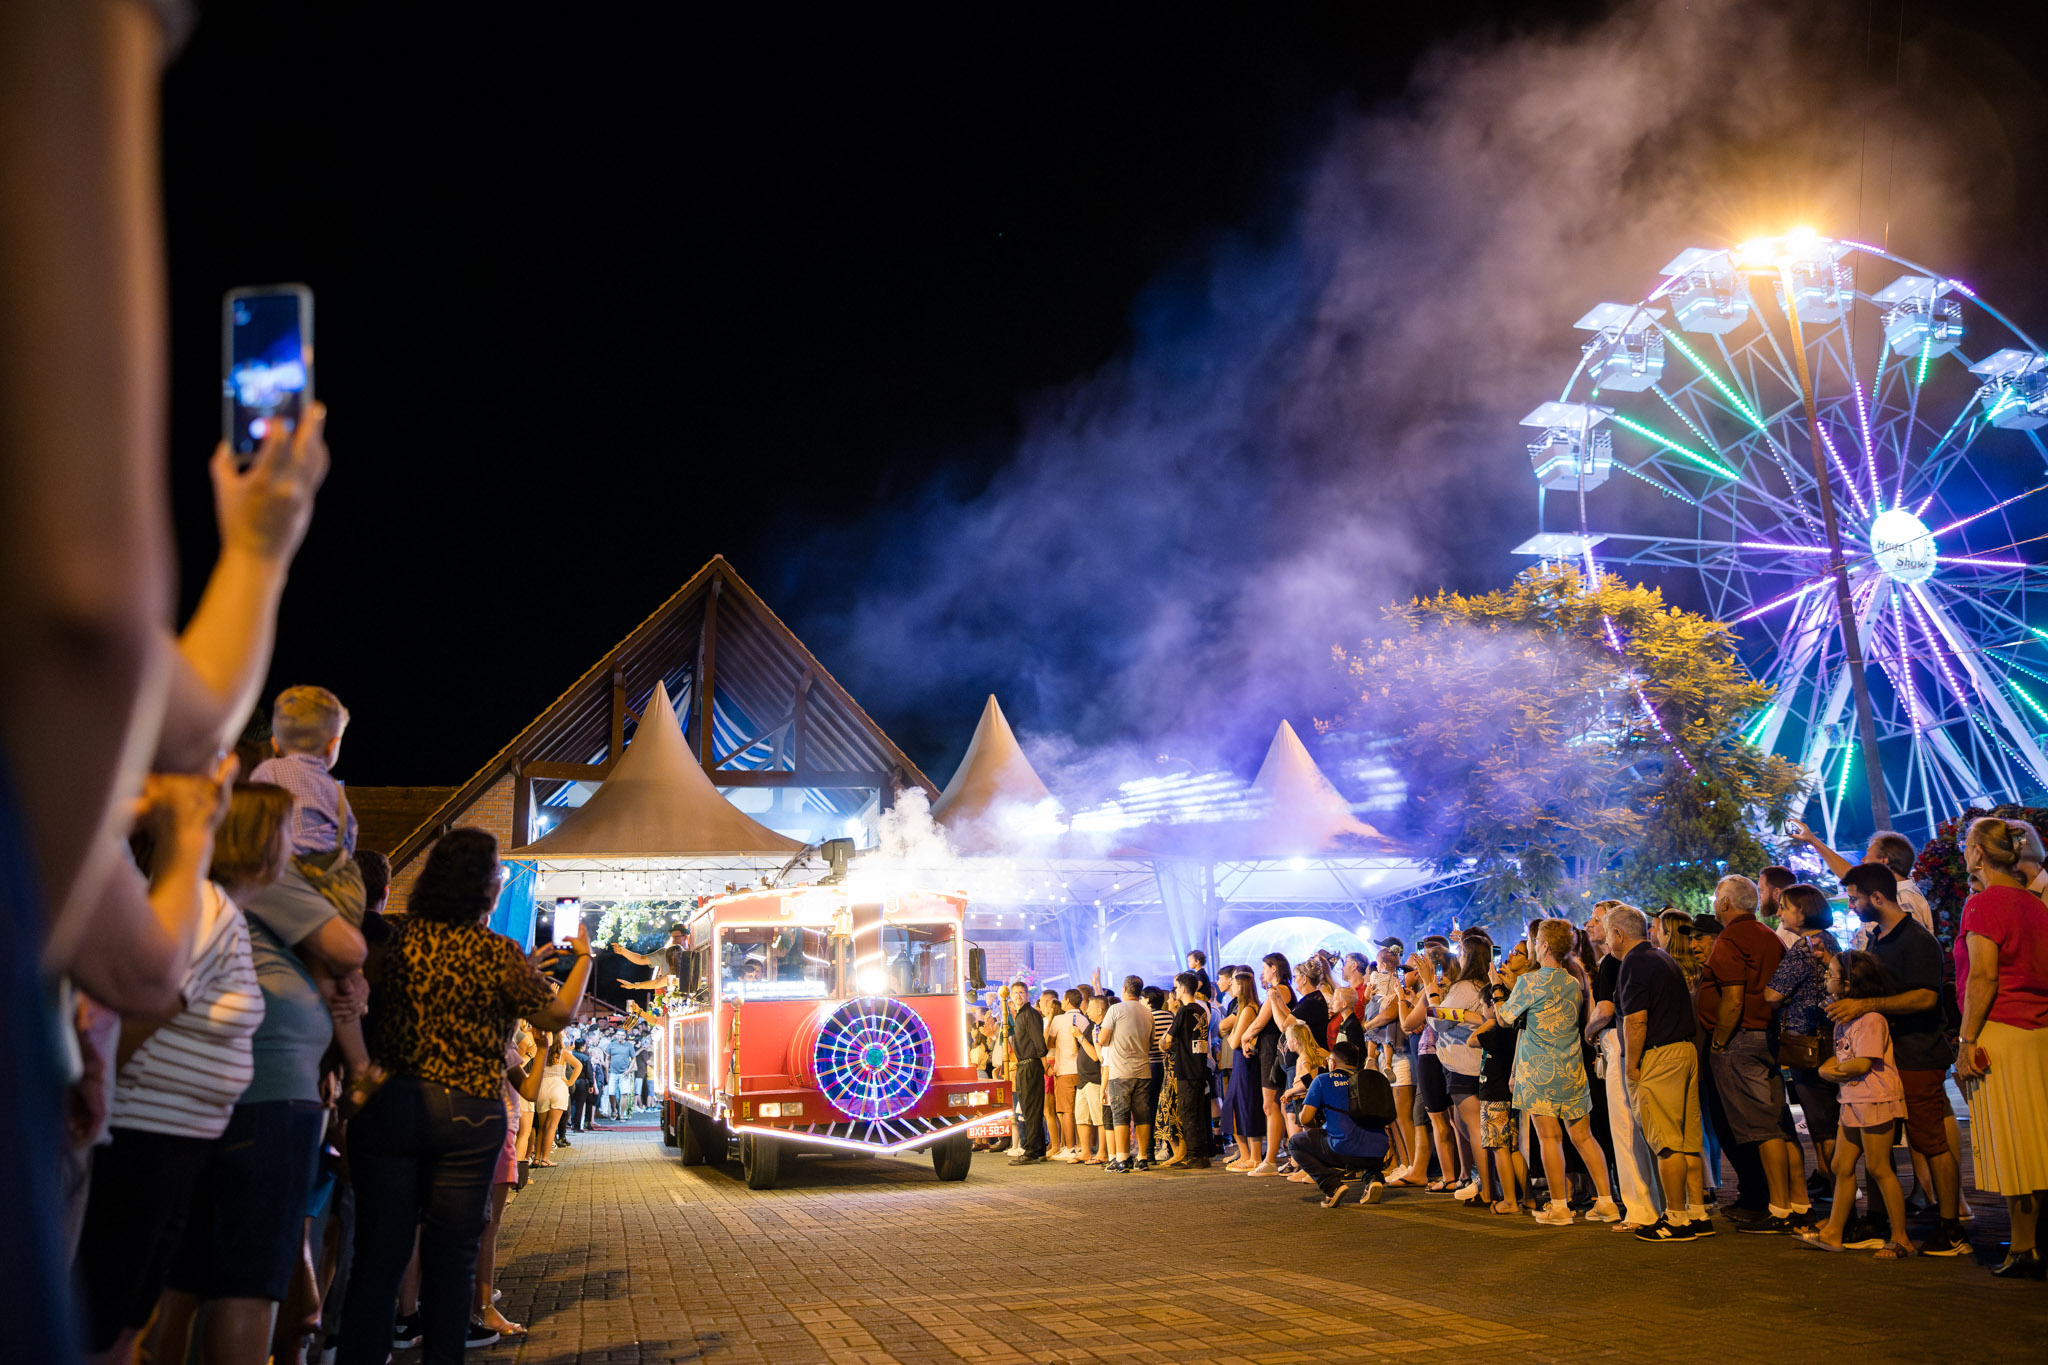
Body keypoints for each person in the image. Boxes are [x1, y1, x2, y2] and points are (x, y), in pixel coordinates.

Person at [337, 830, 591, 1365]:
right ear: (490, 891)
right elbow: (558, 1015)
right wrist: (583, 958)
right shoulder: (495, 954)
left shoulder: (395, 939)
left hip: (389, 1105)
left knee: (377, 1258)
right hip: (467, 1115)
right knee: (452, 1258)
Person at [74, 778, 265, 1365]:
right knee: (110, 1308)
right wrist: (94, 1099)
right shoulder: (204, 909)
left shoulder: (212, 908)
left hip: (173, 1138)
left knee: (130, 1306)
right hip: (145, 1135)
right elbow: (140, 1016)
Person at [248, 686, 383, 1113]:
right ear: (333, 744)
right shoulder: (335, 790)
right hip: (338, 884)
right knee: (337, 972)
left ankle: (354, 1066)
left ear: (274, 741)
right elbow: (348, 838)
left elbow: (261, 824)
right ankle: (355, 1066)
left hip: (292, 874)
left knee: (325, 974)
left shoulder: (267, 773)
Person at [1834, 863, 1969, 1257]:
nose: (1852, 905)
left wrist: (1868, 1003)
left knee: (1930, 1141)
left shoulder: (1917, 941)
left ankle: (1951, 1226)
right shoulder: (1878, 940)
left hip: (1917, 1055)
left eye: (1856, 897)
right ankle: (1878, 1219)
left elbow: (1927, 997)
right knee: (1876, 1143)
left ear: (1877, 897)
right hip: (1887, 1057)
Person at [1951, 817, 2048, 1278]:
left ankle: (2024, 1247)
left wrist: (1967, 1040)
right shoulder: (2035, 903)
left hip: (2001, 1030)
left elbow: (1983, 977)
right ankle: (2031, 1241)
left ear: (1977, 852)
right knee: (2038, 1142)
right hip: (2039, 1033)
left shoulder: (1982, 903)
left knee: (2013, 1142)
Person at [1701, 875, 1806, 1232]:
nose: (1714, 903)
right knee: (1780, 1124)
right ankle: (1798, 1202)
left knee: (1763, 1130)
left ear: (1727, 903)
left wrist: (1719, 1041)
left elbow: (1732, 998)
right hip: (1768, 1037)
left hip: (1742, 1039)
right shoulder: (1766, 935)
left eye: (1717, 898)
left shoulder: (1732, 937)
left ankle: (1778, 1209)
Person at [1496, 920, 1619, 1226]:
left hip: (1539, 1069)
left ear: (1546, 946)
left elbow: (1505, 1018)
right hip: (1571, 1067)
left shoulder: (1530, 982)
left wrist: (1498, 991)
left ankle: (1560, 1207)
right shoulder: (1574, 981)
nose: (1534, 946)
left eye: (1536, 942)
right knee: (1583, 1137)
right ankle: (1606, 1202)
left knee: (1550, 1139)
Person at [1797, 951, 1915, 1260]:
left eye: (1832, 975)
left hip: (1875, 1097)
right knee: (1840, 1165)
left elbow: (1862, 1063)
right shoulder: (1843, 1019)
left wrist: (1826, 1071)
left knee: (1878, 1167)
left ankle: (1901, 1238)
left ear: (1849, 984)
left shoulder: (1871, 1019)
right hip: (1851, 1098)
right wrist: (1832, 1068)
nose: (1827, 979)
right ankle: (1834, 1232)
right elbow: (1846, 1057)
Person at [1607, 905, 1708, 1243]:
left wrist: (1632, 1065)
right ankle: (1698, 1212)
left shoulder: (1635, 963)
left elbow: (1636, 1020)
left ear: (1619, 935)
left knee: (1666, 1143)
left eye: (1608, 934)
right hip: (1684, 1050)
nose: (1607, 941)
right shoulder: (1663, 957)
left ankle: (1676, 1219)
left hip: (1660, 1056)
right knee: (1688, 1141)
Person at [1585, 905, 1662, 1230]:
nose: (1592, 925)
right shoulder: (1653, 957)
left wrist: (1589, 1032)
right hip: (1644, 1042)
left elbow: (1605, 1009)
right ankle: (1661, 1204)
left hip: (1619, 1040)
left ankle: (1640, 1209)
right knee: (1646, 1128)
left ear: (1616, 931)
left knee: (1626, 1130)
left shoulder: (1612, 962)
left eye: (1599, 920)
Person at [1764, 884, 1843, 1195]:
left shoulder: (1805, 946)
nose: (1780, 913)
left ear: (1802, 911)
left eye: (1785, 906)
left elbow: (1772, 993)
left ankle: (1841, 1196)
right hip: (1831, 1038)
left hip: (1809, 1043)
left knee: (1822, 1123)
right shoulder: (1827, 940)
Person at [1428, 934, 1493, 1203]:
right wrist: (1463, 1015)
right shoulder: (1488, 984)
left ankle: (1486, 1186)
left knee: (1474, 1129)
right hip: (1481, 1061)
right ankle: (1486, 1183)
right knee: (1480, 1127)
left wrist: (1431, 992)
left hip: (1462, 1062)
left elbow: (1437, 1021)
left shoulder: (1464, 986)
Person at [1288, 1042, 1390, 1209]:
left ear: (1332, 1063)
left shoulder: (1323, 1080)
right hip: (1378, 1149)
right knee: (1368, 1137)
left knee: (1295, 1143)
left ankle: (1332, 1186)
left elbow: (1306, 1119)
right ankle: (1374, 1178)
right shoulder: (1371, 1079)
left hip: (1344, 1149)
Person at [1790, 821, 1934, 937]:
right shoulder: (1895, 894)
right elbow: (1850, 875)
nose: (1863, 860)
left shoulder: (1903, 900)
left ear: (1884, 861)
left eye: (1868, 854)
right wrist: (1812, 840)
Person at [1237, 954, 1294, 1177]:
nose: (1262, 972)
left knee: (1270, 1105)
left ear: (1273, 967)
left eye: (1264, 967)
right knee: (1277, 1105)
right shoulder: (1281, 988)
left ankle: (1270, 1159)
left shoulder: (1279, 989)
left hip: (1273, 1050)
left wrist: (1244, 1038)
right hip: (1272, 1049)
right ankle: (1281, 1156)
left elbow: (1260, 1022)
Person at [1097, 976, 1155, 1173]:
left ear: (1124, 990)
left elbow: (1103, 1039)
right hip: (1143, 1070)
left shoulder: (1115, 1009)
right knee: (1142, 1115)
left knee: (1120, 1114)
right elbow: (1151, 1040)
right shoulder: (1147, 1013)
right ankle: (1142, 1157)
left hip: (1120, 1070)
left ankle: (1122, 1158)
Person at [1220, 971, 1266, 1172]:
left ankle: (1254, 1156)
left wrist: (1231, 1033)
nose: (1232, 986)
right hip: (1240, 1061)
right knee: (1234, 1106)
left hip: (1245, 1063)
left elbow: (1233, 1041)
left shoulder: (1248, 1009)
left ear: (1243, 987)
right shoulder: (1243, 1008)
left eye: (1235, 984)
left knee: (1246, 1106)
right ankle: (1245, 1154)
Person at [1164, 973, 1211, 1168]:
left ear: (1183, 989)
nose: (1174, 992)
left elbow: (1168, 1040)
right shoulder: (1201, 1010)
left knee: (1187, 1112)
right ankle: (1201, 1154)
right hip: (1199, 1067)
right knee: (1198, 1112)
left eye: (1176, 988)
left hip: (1185, 1068)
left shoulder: (1183, 1012)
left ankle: (1194, 1156)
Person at [1006, 981, 1048, 1165]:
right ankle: (1038, 1149)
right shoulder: (1019, 1015)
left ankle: (1031, 1150)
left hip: (1031, 1064)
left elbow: (1039, 1042)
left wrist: (1044, 1062)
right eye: (1015, 993)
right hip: (1024, 1064)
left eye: (1021, 992)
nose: (1018, 996)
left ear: (1027, 995)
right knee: (1029, 1108)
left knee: (1030, 1109)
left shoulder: (1029, 1014)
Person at [1046, 990, 1086, 1162]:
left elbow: (1048, 1042)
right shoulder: (1084, 1019)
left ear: (1068, 1000)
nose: (1061, 1002)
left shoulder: (1058, 1019)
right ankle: (1082, 1146)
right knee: (1082, 1111)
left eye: (1063, 999)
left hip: (1065, 1070)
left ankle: (1070, 1147)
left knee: (1066, 1111)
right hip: (1083, 1070)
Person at [529, 1033, 579, 1168]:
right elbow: (578, 1066)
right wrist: (570, 1082)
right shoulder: (563, 1053)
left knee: (541, 1126)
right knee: (552, 1126)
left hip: (542, 1088)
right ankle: (545, 1158)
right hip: (558, 1087)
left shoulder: (542, 1052)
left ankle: (536, 1158)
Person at [1073, 995, 1106, 1165]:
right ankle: (1085, 1151)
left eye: (1091, 1007)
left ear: (1100, 1010)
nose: (1087, 1011)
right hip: (1083, 1079)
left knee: (1099, 1118)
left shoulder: (1100, 1027)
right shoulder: (1091, 1026)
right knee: (1081, 1117)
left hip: (1094, 1078)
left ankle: (1102, 1152)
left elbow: (1095, 1056)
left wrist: (1079, 1036)